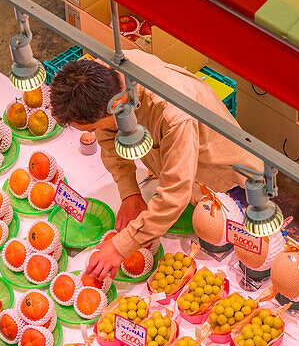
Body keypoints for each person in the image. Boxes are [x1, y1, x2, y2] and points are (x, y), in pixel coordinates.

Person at [50, 48, 261, 280]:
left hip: (225, 180)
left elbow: (175, 195)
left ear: (118, 106)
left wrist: (122, 245)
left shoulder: (175, 116)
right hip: (176, 170)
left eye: (91, 128)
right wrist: (129, 192)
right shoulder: (104, 80)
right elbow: (108, 135)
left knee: (234, 251)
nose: (93, 133)